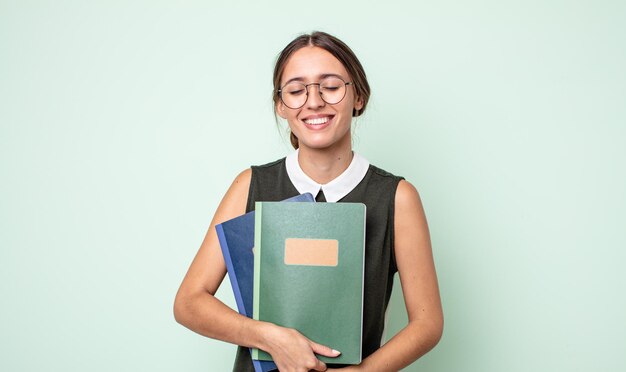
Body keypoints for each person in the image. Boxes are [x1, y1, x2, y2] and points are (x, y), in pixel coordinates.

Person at [174, 31, 443, 372]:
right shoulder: (250, 186)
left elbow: (427, 323)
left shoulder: (396, 198)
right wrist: (268, 337)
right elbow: (189, 302)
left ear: (357, 96)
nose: (313, 102)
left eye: (330, 86)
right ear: (281, 105)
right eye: (297, 91)